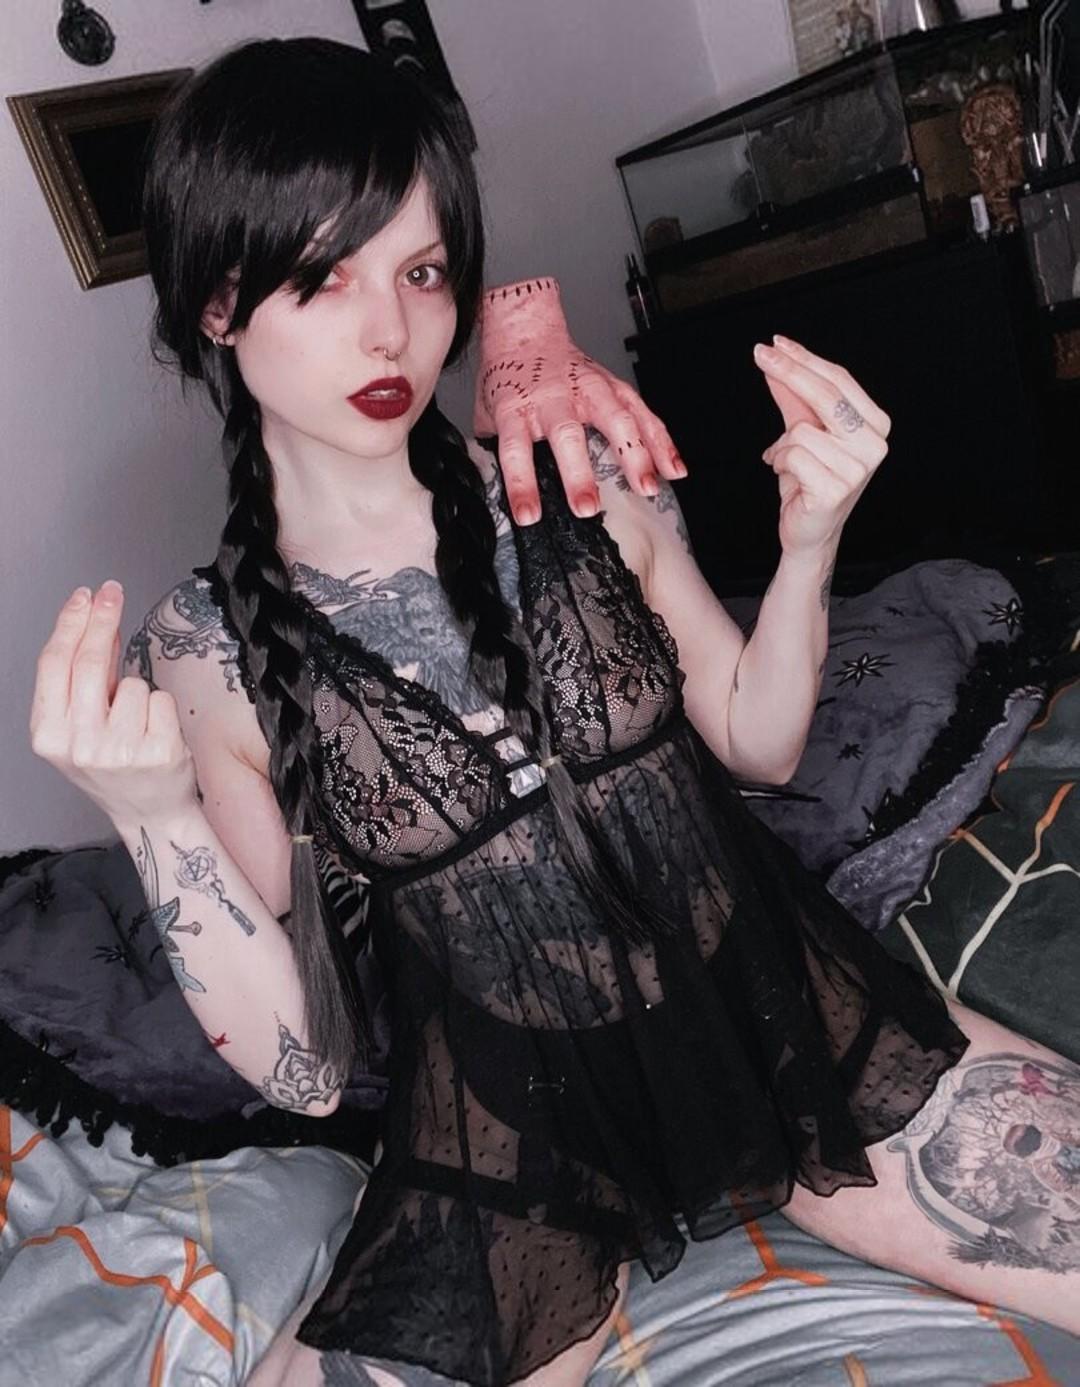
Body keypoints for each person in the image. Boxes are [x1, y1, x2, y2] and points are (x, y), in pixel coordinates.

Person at [28, 35, 1080, 1387]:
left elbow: (760, 742)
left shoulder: (574, 469)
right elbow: (303, 1074)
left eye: (420, 273)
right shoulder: (210, 648)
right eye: (324, 277)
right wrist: (155, 820)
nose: (390, 331)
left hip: (787, 1028)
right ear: (221, 304)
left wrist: (810, 544)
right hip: (511, 1155)